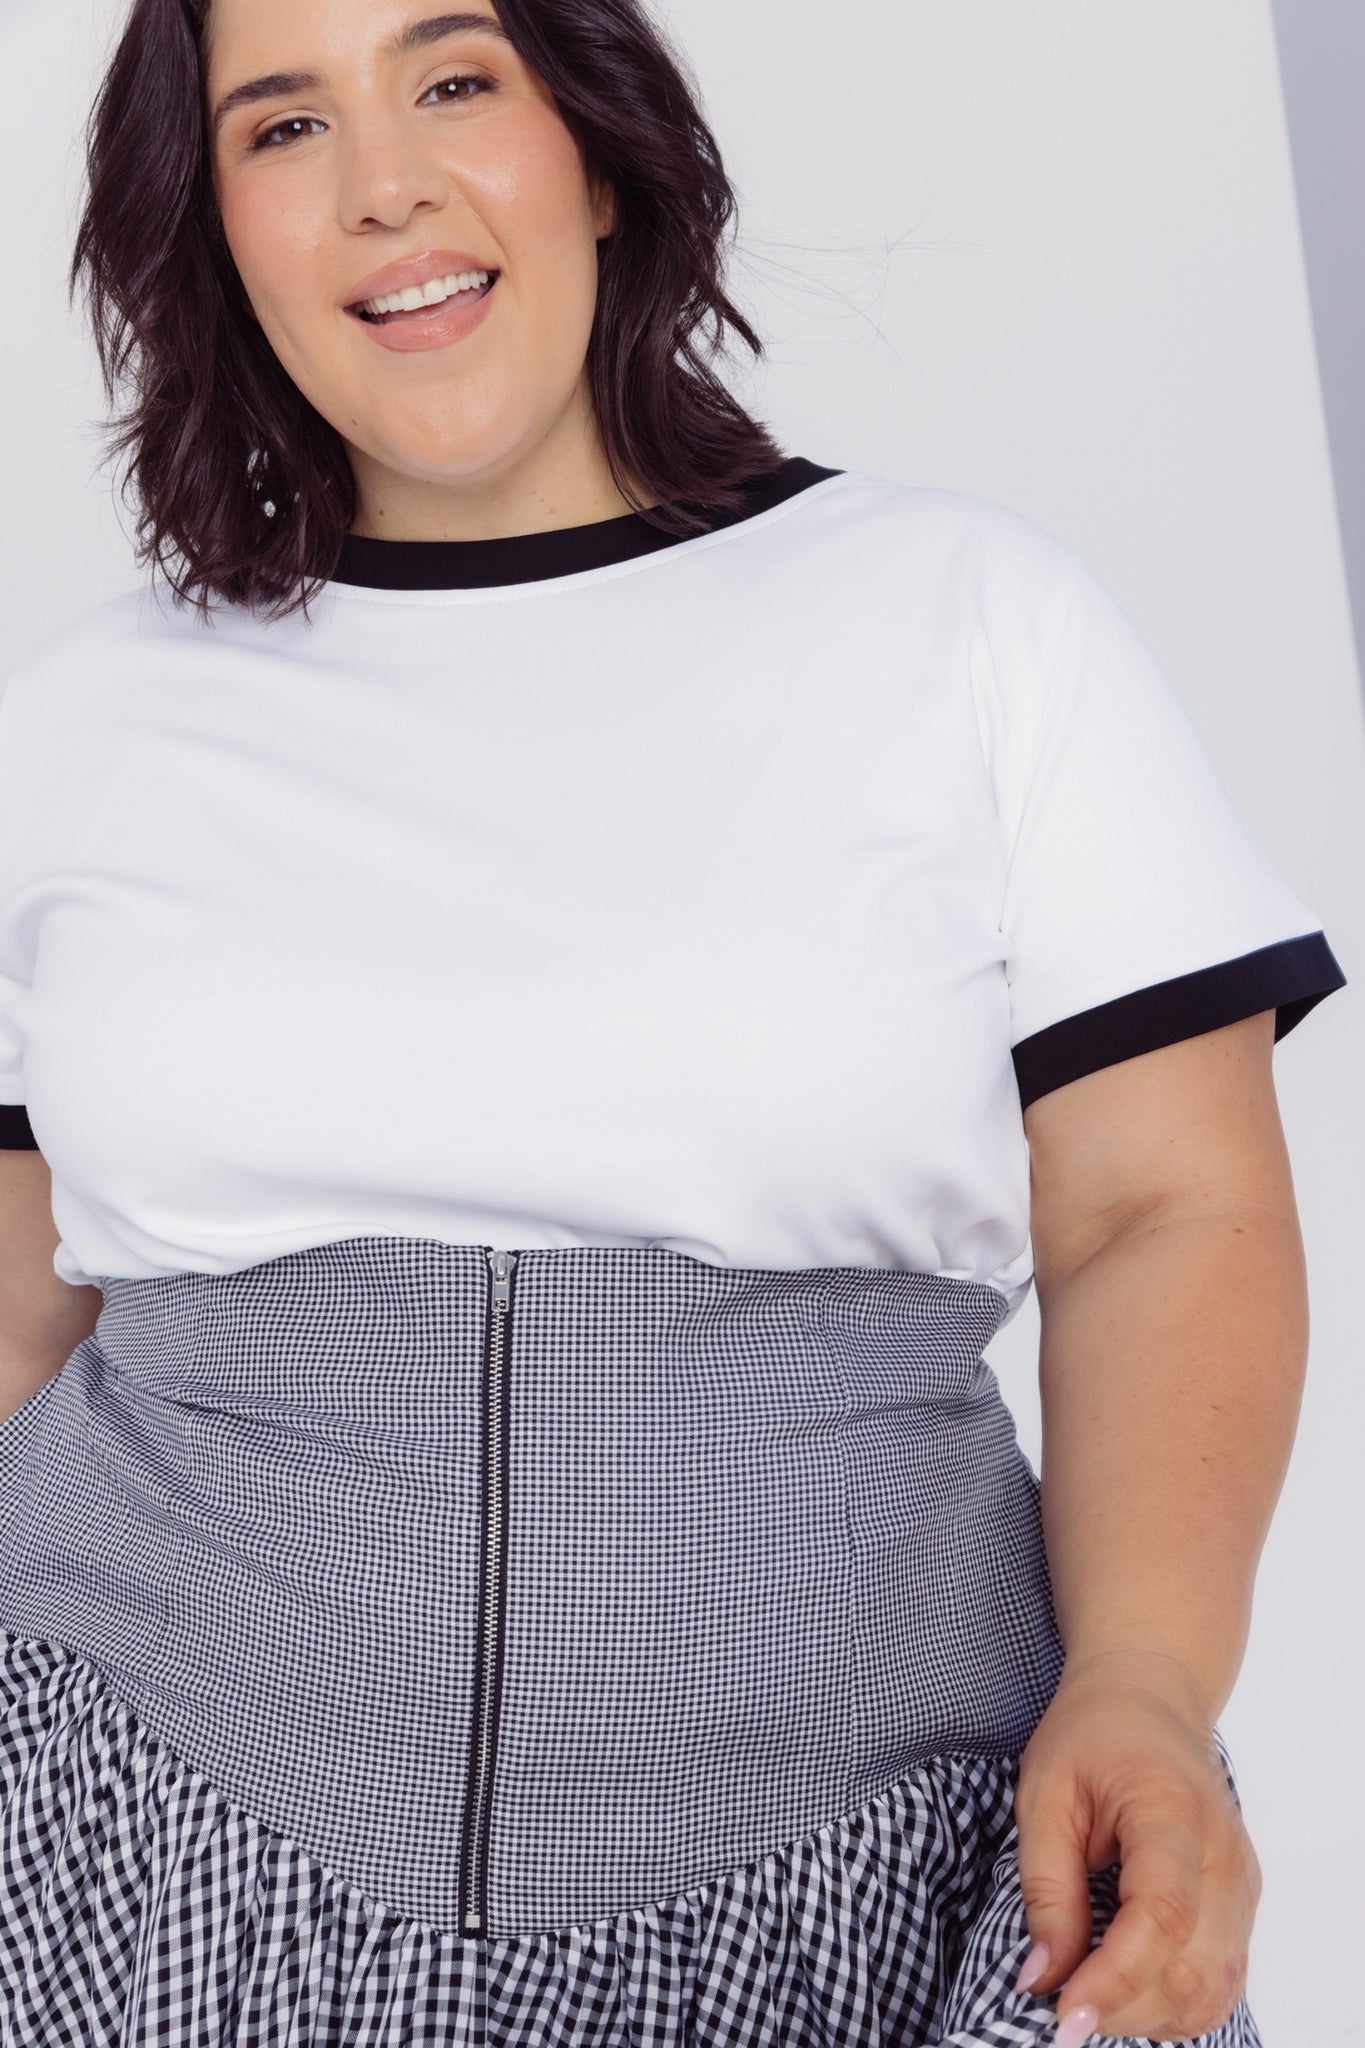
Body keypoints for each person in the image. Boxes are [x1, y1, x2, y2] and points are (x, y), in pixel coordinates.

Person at [0, 0, 1345, 2041]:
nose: (385, 184)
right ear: (219, 232)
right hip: (123, 1873)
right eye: (282, 126)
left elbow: (1158, 1215)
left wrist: (1144, 1681)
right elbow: (26, 1302)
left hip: (870, 1893)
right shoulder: (80, 725)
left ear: (602, 150)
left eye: (454, 82)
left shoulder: (965, 623)